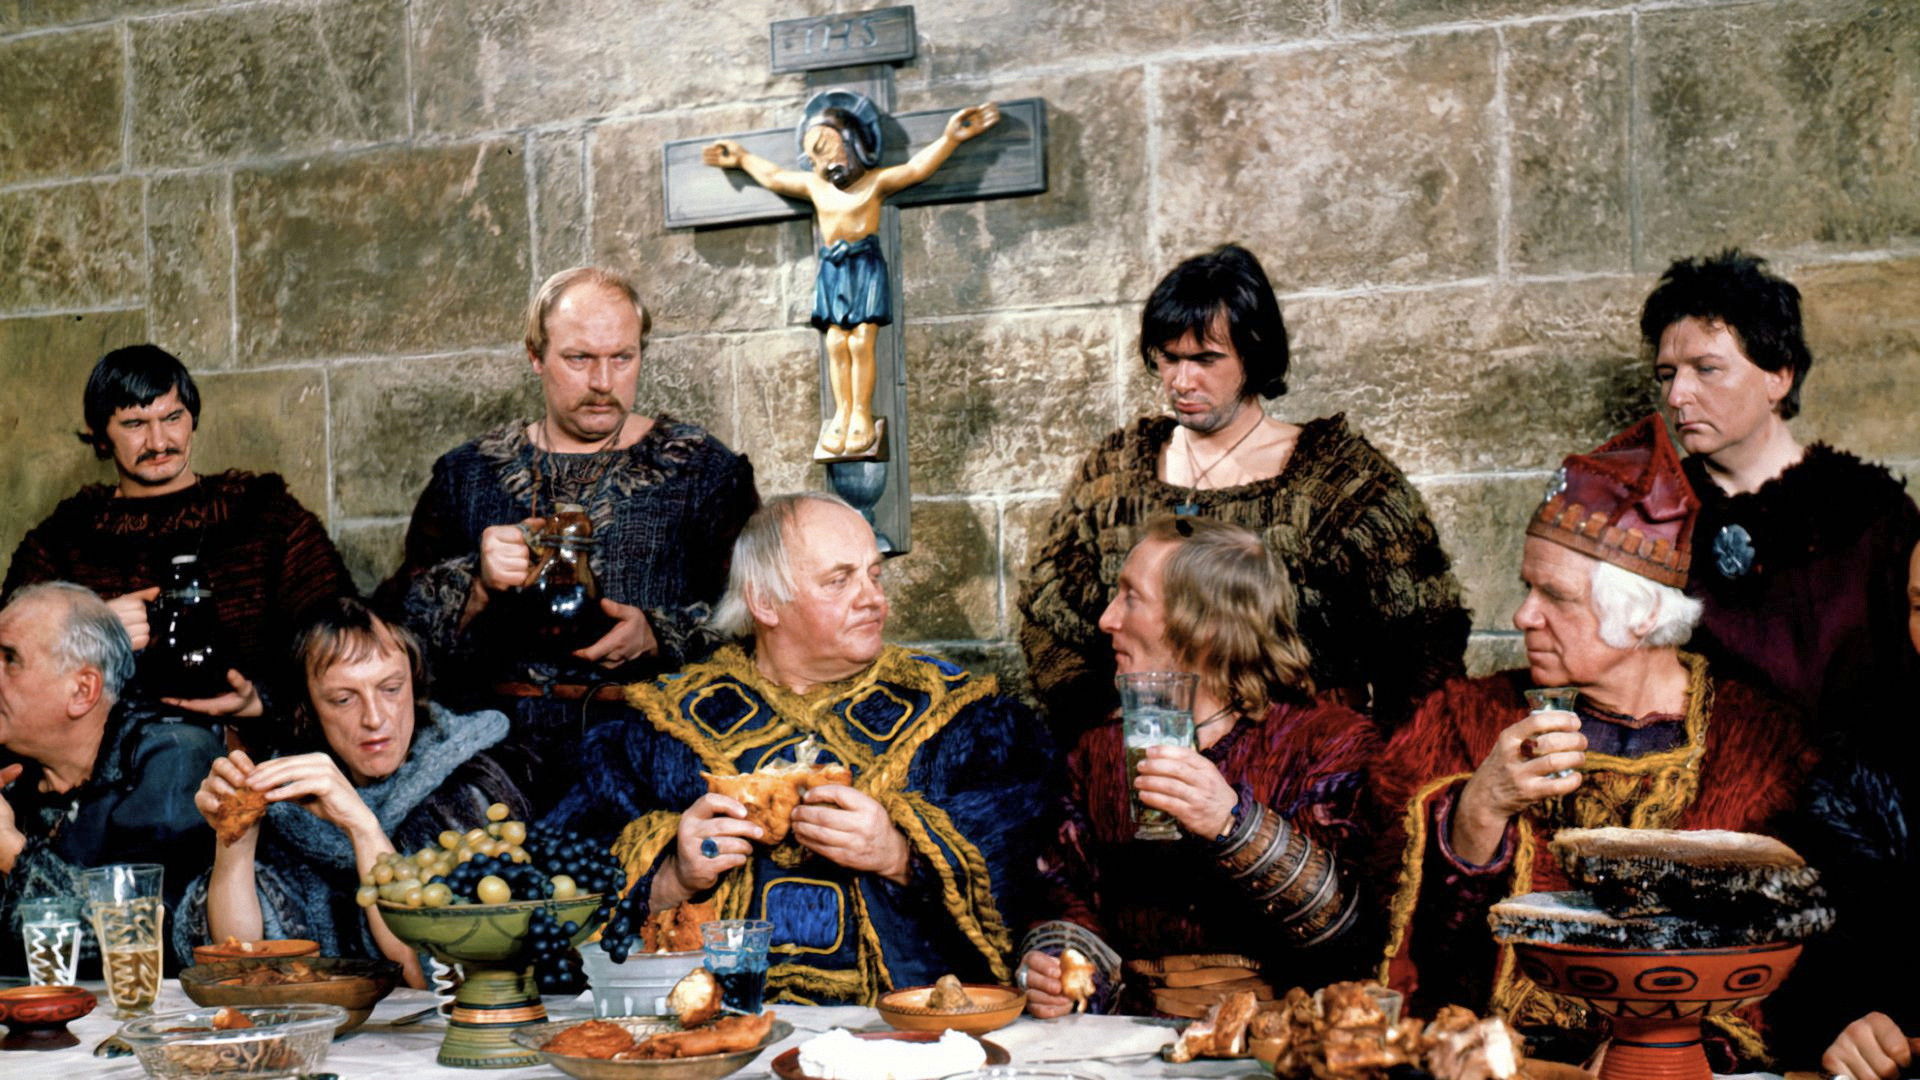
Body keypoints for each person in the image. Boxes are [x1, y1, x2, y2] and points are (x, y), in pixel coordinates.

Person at [1374, 416, 1817, 1070]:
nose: (1523, 615)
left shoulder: (1760, 745)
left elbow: (1795, 979)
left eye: (1555, 596)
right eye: (1527, 587)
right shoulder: (1462, 720)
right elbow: (1411, 960)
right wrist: (1478, 810)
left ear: (1642, 615)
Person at [543, 493, 1053, 1005]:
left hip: (902, 1029)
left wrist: (901, 854)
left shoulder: (962, 718)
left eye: (874, 575)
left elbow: (1032, 869)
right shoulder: (658, 727)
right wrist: (672, 874)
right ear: (765, 601)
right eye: (839, 580)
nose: (874, 599)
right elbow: (558, 885)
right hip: (718, 1031)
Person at [1018, 244, 1467, 736]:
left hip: (1301, 762)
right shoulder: (1114, 477)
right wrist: (1105, 728)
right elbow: (1051, 622)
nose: (1181, 381)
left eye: (1205, 359)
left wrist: (1372, 758)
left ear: (1254, 354)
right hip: (1147, 750)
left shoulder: (1342, 485)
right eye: (1169, 358)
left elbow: (1425, 642)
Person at [378, 266, 757, 800]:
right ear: (536, 355)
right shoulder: (468, 474)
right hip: (487, 758)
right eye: (579, 358)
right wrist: (476, 583)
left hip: (650, 754)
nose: (603, 382)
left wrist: (657, 635)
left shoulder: (705, 473)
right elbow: (391, 640)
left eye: (622, 358)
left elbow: (758, 621)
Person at [1019, 517, 1379, 1018]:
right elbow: (1064, 897)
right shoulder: (1099, 750)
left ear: (1205, 623)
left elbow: (1352, 932)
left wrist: (1233, 824)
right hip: (1128, 1037)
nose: (1106, 619)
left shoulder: (1326, 742)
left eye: (1131, 597)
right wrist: (1058, 971)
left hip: (1276, 1034)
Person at [173, 598, 528, 989]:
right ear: (307, 707)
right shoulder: (287, 802)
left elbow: (433, 981)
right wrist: (235, 840)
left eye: (391, 688)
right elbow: (238, 971)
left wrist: (362, 828)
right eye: (343, 699)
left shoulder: (468, 795)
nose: (374, 718)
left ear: (414, 683)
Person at [2, 345, 354, 739]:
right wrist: (93, 632)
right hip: (107, 761)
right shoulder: (62, 541)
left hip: (257, 752)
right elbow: (11, 662)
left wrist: (262, 700)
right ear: (101, 435)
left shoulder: (266, 517)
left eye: (172, 418)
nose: (158, 442)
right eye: (135, 424)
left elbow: (344, 642)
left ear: (192, 419)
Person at [1644, 249, 1920, 741]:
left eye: (1706, 369)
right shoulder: (1651, 515)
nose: (1677, 395)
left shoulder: (1873, 512)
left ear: (1779, 377)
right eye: (1667, 375)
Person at [704, 96, 1000, 457]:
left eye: (825, 148)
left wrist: (950, 138)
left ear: (851, 141)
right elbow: (776, 177)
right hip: (833, 268)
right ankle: (841, 413)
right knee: (835, 343)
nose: (821, 162)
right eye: (813, 156)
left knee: (860, 341)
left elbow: (916, 169)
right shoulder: (815, 186)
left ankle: (861, 412)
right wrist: (743, 158)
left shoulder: (874, 183)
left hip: (864, 264)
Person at [0, 582, 221, 973]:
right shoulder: (19, 777)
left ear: (82, 690)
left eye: (10, 659)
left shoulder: (173, 757)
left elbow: (144, 942)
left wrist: (13, 854)